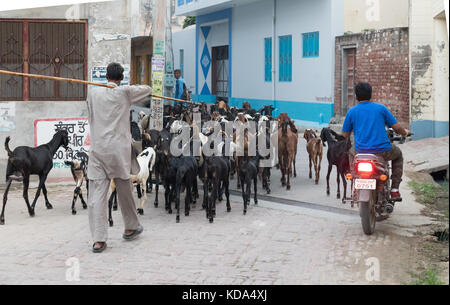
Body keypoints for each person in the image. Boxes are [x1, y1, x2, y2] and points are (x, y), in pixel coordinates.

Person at [86, 62, 152, 253]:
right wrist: (126, 88)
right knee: (124, 189)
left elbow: (91, 116)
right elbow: (147, 90)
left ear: (106, 76)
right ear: (121, 78)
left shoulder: (93, 93)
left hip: (98, 149)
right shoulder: (124, 92)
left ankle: (98, 240)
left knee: (96, 195)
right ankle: (130, 226)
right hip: (118, 151)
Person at [342, 82, 411, 200]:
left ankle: (355, 183)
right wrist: (405, 132)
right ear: (371, 95)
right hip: (383, 150)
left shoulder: (351, 112)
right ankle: (394, 189)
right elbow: (397, 128)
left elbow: (345, 134)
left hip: (360, 151)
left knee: (351, 152)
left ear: (356, 97)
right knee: (398, 155)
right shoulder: (381, 109)